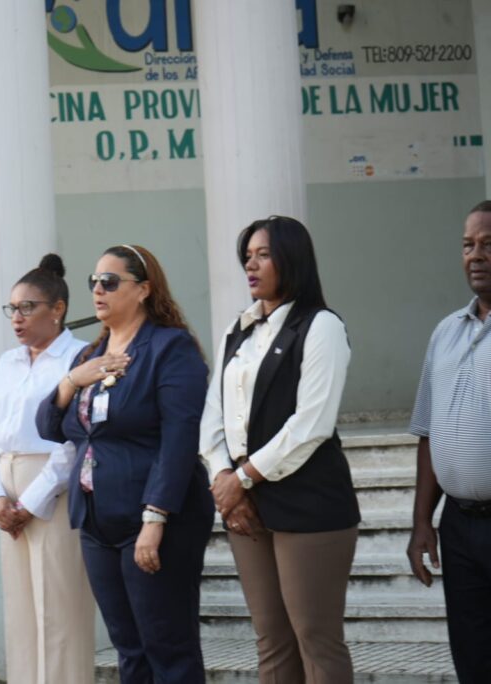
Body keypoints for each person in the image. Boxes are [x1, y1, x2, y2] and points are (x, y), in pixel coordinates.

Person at [36, 244, 213, 684]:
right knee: (128, 648)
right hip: (97, 520)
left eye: (110, 282)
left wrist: (155, 518)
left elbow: (179, 439)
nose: (98, 290)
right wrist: (72, 380)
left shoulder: (170, 348)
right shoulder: (89, 356)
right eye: (94, 282)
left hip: (152, 517)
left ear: (143, 289)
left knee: (167, 646)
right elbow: (50, 426)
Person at [201, 216, 359, 684]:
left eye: (263, 255)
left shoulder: (321, 326)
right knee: (271, 640)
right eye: (247, 256)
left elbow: (311, 424)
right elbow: (213, 413)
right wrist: (222, 477)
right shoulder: (238, 328)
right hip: (244, 502)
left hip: (309, 503)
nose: (250, 265)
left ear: (292, 259)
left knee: (315, 639)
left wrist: (241, 478)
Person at [0, 254, 95, 684]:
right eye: (12, 309)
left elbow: (73, 439)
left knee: (59, 609)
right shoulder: (8, 362)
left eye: (27, 307)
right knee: (21, 612)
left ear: (57, 309)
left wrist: (30, 502)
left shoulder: (79, 356)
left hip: (53, 491)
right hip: (6, 488)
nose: (17, 318)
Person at [407, 200, 491, 683]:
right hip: (459, 525)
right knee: (472, 656)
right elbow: (428, 432)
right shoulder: (445, 332)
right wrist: (422, 521)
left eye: (488, 244)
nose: (476, 255)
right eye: (467, 245)